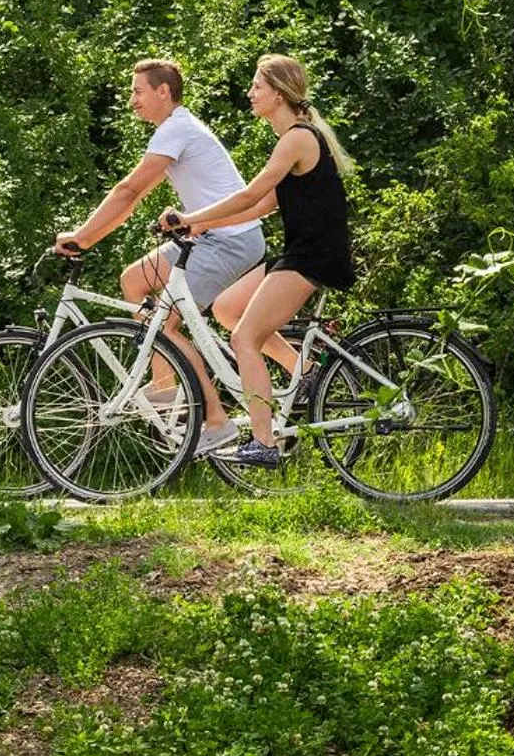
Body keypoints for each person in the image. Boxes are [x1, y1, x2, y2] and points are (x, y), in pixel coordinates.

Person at [54, 58, 270, 455]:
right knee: (134, 280)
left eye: (138, 91)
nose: (132, 100)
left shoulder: (177, 129)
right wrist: (90, 238)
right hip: (209, 238)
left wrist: (83, 237)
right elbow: (131, 201)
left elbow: (128, 192)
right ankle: (167, 388)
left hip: (231, 241)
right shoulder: (174, 129)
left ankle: (216, 420)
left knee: (164, 325)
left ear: (163, 91)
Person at [161, 53, 355, 468]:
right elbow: (263, 205)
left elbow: (251, 193)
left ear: (280, 94)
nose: (250, 93)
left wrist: (192, 215)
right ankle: (303, 374)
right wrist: (203, 226)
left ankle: (264, 441)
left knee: (244, 338)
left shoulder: (297, 138)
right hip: (299, 252)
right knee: (229, 309)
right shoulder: (294, 139)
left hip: (313, 256)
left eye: (257, 87)